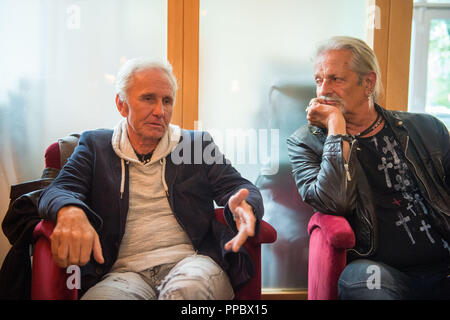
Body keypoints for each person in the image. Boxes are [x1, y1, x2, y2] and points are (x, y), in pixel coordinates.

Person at [38, 58, 264, 300]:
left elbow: (240, 187)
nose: (160, 111)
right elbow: (58, 190)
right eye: (148, 99)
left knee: (187, 292)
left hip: (193, 263)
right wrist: (70, 210)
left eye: (167, 101)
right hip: (123, 274)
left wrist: (245, 204)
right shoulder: (96, 146)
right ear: (121, 104)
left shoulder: (195, 145)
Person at [287, 36, 449, 299]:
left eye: (335, 79)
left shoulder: (426, 129)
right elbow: (333, 202)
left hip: (443, 266)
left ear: (368, 83)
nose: (323, 90)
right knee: (366, 285)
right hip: (376, 269)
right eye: (319, 80)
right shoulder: (305, 142)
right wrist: (336, 130)